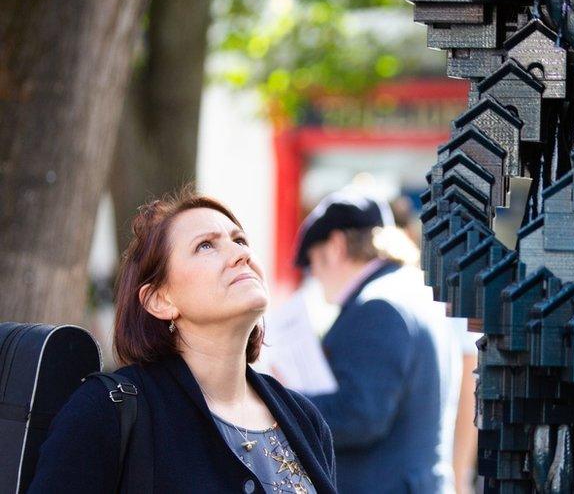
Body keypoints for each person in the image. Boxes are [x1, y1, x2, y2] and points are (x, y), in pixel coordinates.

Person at [29, 190, 337, 493]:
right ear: (160, 300)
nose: (241, 254)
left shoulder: (304, 419)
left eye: (240, 240)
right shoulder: (105, 411)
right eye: (205, 246)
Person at [289, 188, 455, 493]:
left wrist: (284, 401)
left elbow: (359, 416)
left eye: (313, 262)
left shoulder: (377, 307)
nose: (315, 275)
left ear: (336, 246)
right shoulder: (412, 290)